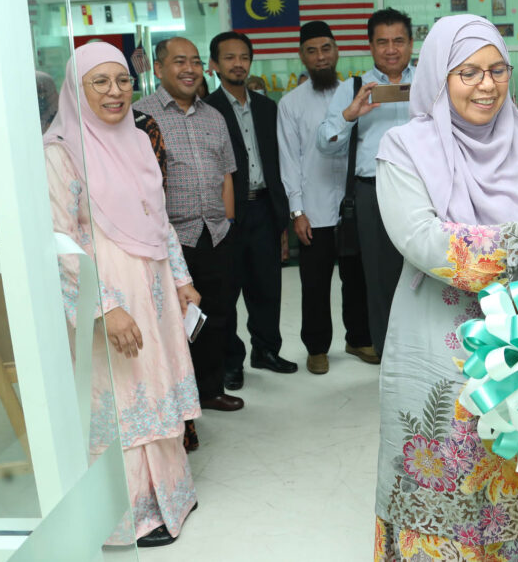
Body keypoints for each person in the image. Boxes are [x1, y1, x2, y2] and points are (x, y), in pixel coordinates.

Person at [373, 14, 518, 560]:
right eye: (468, 72)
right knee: (440, 461)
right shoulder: (403, 146)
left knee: (507, 468)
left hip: (514, 344)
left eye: (497, 70)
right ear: (439, 77)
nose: (486, 85)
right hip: (434, 341)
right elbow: (419, 239)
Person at [44, 42, 200, 547]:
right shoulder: (61, 151)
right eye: (101, 82)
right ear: (77, 88)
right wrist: (103, 308)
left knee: (156, 384)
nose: (115, 92)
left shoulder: (134, 139)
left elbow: (159, 220)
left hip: (153, 287)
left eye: (123, 81)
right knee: (122, 395)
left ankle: (171, 495)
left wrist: (180, 279)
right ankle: (131, 513)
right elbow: (58, 241)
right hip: (108, 289)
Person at [132, 37, 244, 413]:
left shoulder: (215, 116)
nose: (190, 69)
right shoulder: (139, 118)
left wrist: (227, 224)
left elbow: (227, 175)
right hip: (170, 242)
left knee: (216, 317)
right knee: (170, 323)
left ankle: (210, 389)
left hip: (215, 235)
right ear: (159, 68)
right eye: (179, 62)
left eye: (195, 62)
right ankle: (178, 397)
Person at [317, 8, 415, 357]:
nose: (391, 49)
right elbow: (324, 143)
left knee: (425, 271)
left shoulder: (428, 83)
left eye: (398, 41)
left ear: (411, 43)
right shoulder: (353, 88)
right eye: (383, 42)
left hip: (425, 190)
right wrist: (348, 116)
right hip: (373, 191)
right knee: (379, 277)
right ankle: (390, 354)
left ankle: (422, 353)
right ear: (370, 46)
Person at [278, 21, 374, 375]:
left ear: (337, 52)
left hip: (352, 206)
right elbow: (289, 160)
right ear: (302, 56)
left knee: (357, 278)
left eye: (326, 49)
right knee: (314, 283)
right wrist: (297, 211)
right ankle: (316, 348)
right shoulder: (290, 104)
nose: (320, 57)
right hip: (314, 210)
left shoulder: (357, 94)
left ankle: (359, 338)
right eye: (312, 51)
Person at [205, 31, 297, 383]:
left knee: (266, 287)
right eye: (229, 57)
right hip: (227, 213)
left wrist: (283, 216)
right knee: (226, 291)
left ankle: (266, 350)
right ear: (214, 64)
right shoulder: (207, 110)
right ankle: (231, 361)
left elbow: (278, 163)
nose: (238, 63)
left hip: (264, 210)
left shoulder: (266, 107)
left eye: (243, 57)